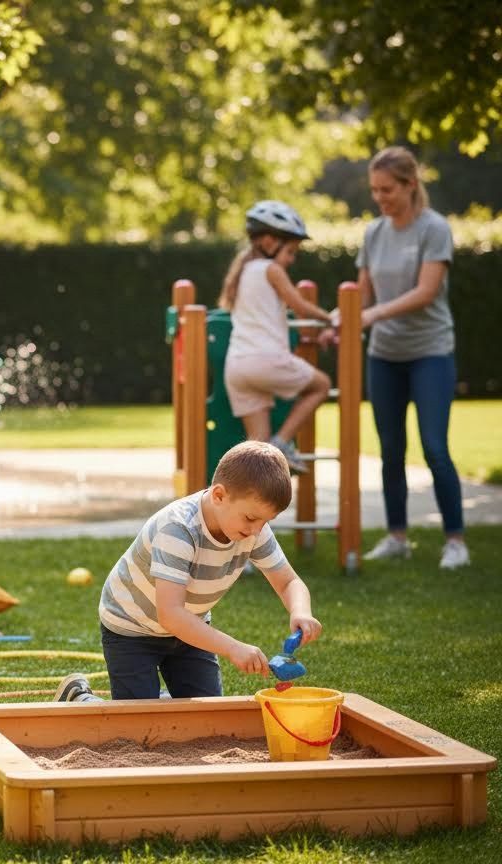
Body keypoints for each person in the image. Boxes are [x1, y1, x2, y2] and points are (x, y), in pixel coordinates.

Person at [55, 441, 322, 703]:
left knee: (206, 718)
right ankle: (79, 697)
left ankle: (157, 699)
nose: (257, 530)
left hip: (190, 627)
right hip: (132, 627)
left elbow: (288, 581)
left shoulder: (254, 530)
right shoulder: (178, 529)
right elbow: (170, 614)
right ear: (219, 496)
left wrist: (301, 611)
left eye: (266, 521)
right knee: (135, 727)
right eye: (251, 518)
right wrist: (233, 648)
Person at [344, 146, 468, 570]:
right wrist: (337, 321)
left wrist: (372, 314)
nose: (380, 197)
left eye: (387, 189)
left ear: (410, 184)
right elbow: (361, 294)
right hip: (385, 355)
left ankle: (455, 540)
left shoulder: (434, 229)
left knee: (434, 446)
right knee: (390, 448)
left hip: (430, 351)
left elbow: (426, 292)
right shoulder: (374, 233)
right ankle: (397, 535)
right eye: (375, 190)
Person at [220, 201, 335, 474]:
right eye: (291, 251)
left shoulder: (243, 272)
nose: (292, 259)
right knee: (321, 385)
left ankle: (247, 513)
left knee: (257, 459)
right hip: (265, 360)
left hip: (237, 369)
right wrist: (334, 319)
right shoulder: (271, 270)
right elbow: (301, 306)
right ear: (270, 241)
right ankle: (283, 443)